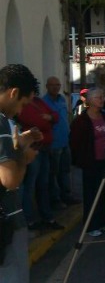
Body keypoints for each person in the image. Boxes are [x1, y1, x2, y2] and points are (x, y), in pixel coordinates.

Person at [0, 64, 42, 283]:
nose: (20, 112)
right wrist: (24, 156)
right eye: (23, 104)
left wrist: (20, 143)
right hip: (7, 221)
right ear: (13, 92)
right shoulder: (1, 122)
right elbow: (9, 180)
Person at [69, 88, 105, 237]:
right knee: (91, 194)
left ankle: (104, 222)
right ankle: (91, 225)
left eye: (102, 97)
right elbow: (75, 142)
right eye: (98, 97)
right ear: (90, 100)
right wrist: (81, 159)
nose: (102, 100)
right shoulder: (81, 120)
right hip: (91, 162)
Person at [18, 94, 64, 231]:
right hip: (33, 148)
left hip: (45, 148)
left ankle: (47, 217)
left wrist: (49, 119)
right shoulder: (24, 103)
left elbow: (55, 116)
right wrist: (48, 120)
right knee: (30, 185)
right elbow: (35, 122)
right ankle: (29, 220)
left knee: (44, 184)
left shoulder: (39, 102)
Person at [42, 76, 77, 210]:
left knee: (65, 171)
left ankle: (67, 196)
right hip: (53, 144)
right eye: (52, 85)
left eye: (58, 85)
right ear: (47, 86)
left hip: (65, 141)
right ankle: (55, 200)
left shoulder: (62, 99)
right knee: (53, 174)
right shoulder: (44, 102)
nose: (56, 87)